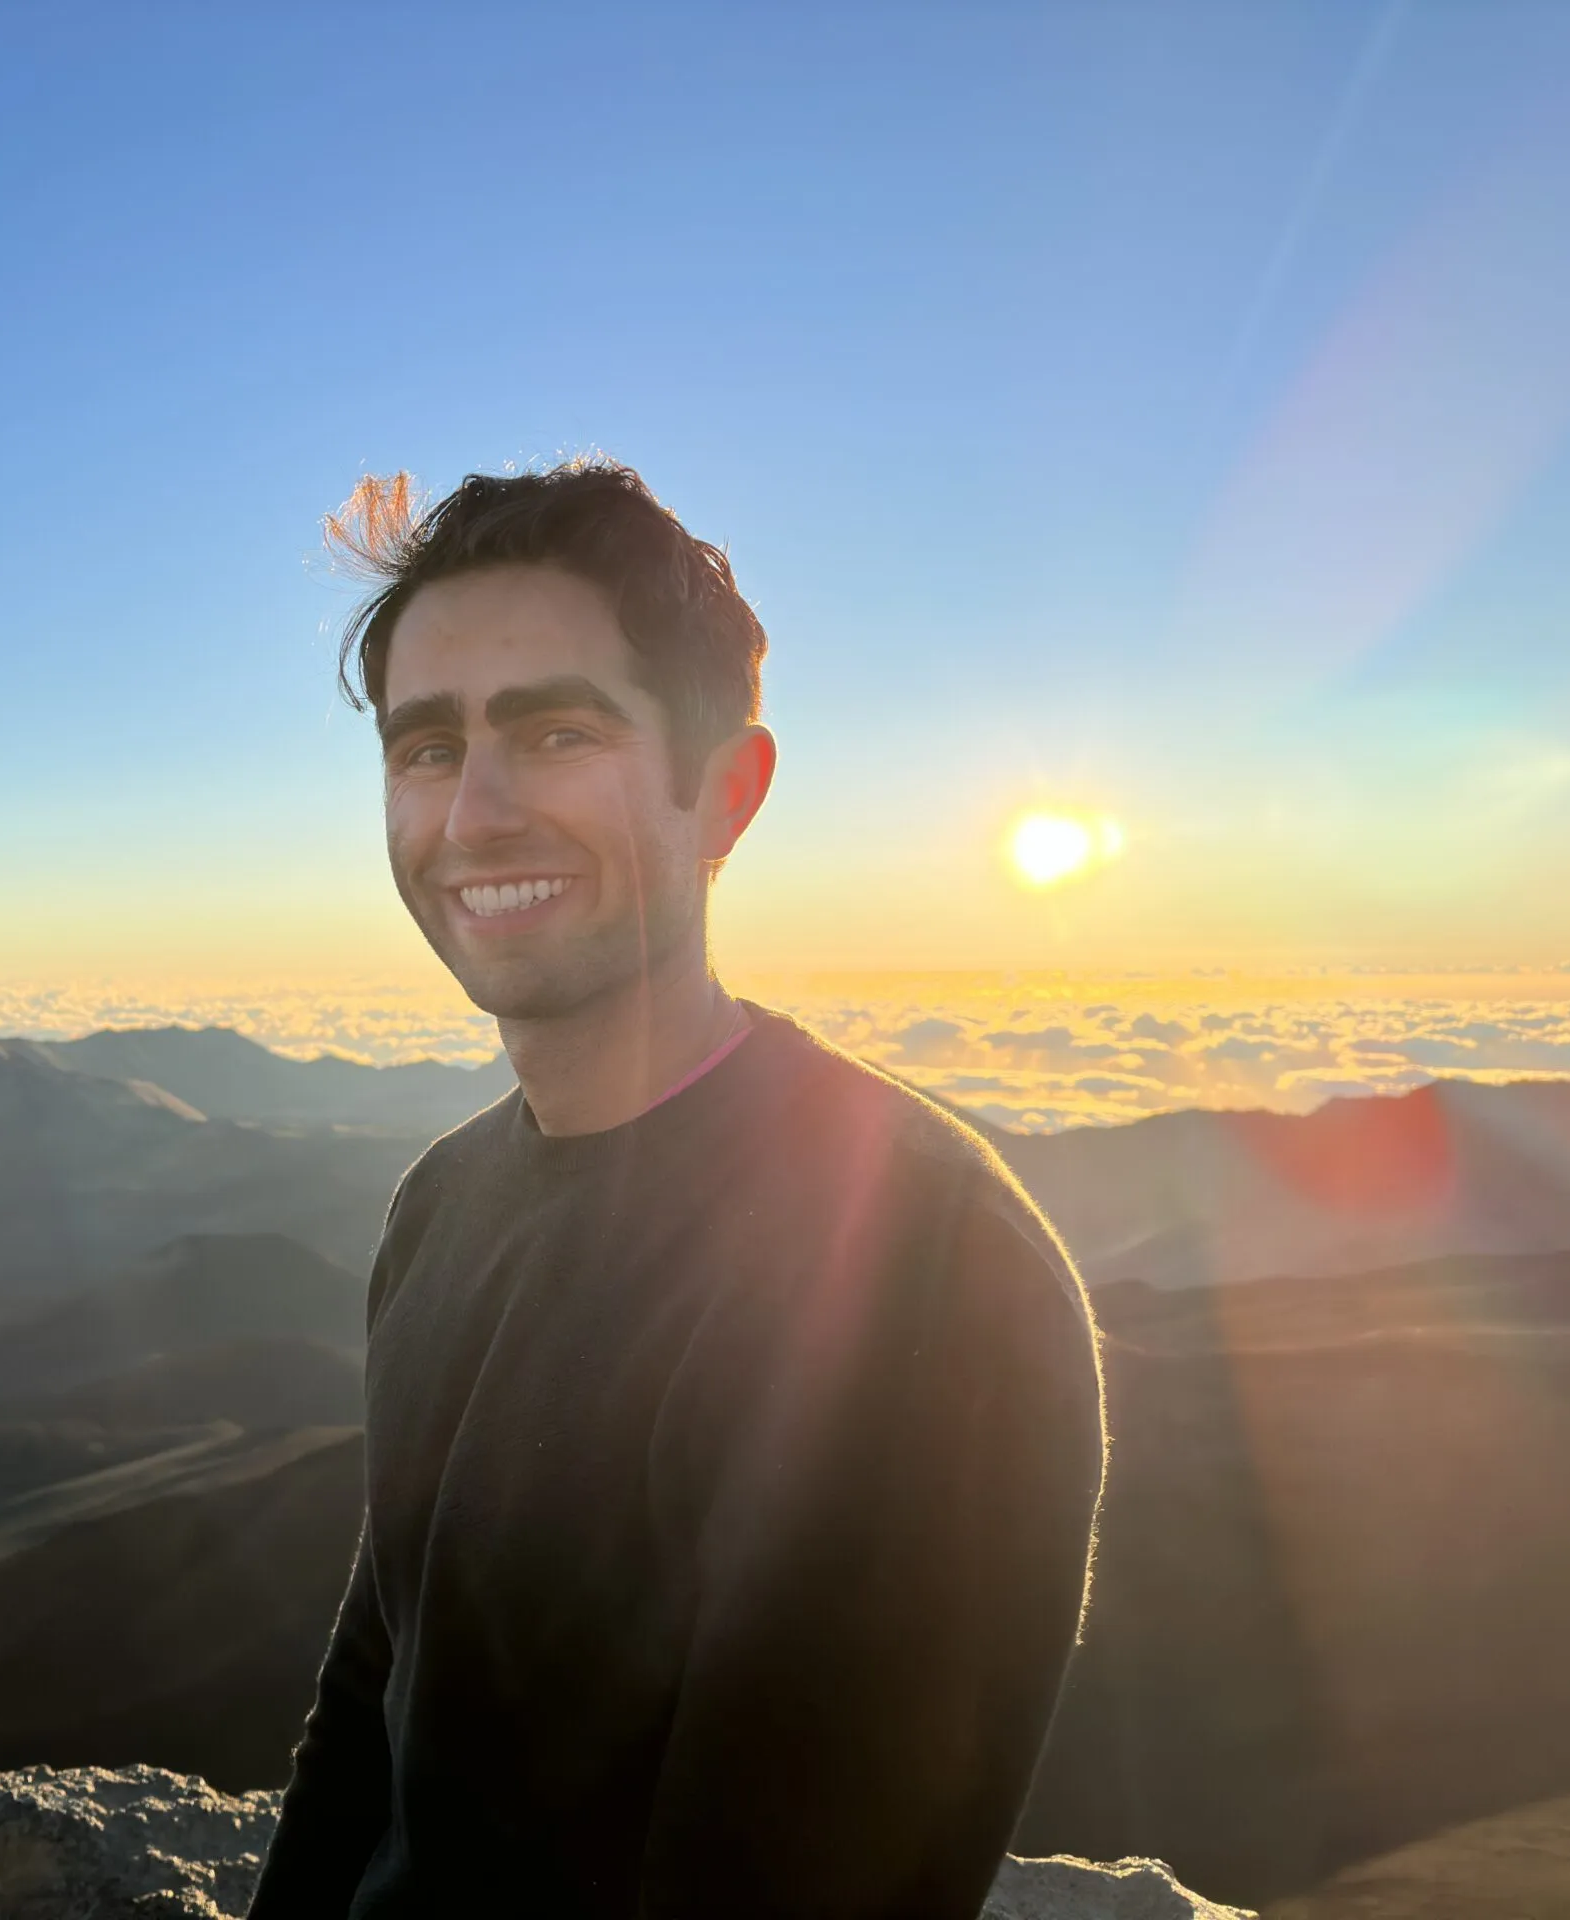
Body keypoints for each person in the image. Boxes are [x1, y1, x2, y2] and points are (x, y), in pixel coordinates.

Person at [247, 460, 1107, 1919]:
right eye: (425, 749)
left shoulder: (922, 1272)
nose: (474, 816)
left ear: (726, 792)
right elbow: (379, 1678)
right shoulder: (441, 1205)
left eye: (558, 731)